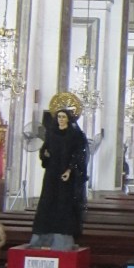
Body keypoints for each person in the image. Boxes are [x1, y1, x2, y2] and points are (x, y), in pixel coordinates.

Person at [30, 107, 88, 250]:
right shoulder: (51, 132)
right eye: (59, 117)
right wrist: (45, 155)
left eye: (63, 117)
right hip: (52, 173)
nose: (61, 119)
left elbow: (79, 154)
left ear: (68, 118)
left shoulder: (75, 135)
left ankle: (62, 234)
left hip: (65, 176)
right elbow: (44, 149)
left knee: (63, 202)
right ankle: (45, 234)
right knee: (48, 200)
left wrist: (70, 169)